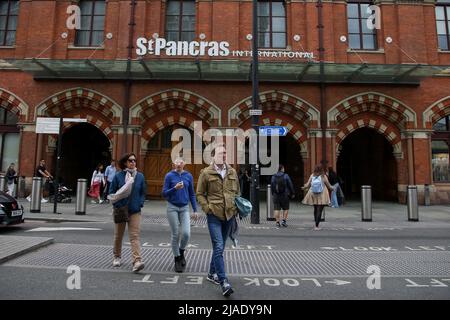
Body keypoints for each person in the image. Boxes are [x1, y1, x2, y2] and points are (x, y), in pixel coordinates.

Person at [196, 144, 240, 297]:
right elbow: (200, 194)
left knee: (219, 247)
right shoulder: (206, 173)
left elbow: (237, 192)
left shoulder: (232, 172)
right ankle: (224, 282)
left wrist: (236, 208)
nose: (224, 155)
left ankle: (210, 273)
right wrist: (207, 208)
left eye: (225, 153)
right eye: (221, 153)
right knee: (219, 245)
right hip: (214, 214)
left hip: (229, 215)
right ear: (213, 156)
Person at [109, 153, 147, 273]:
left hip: (134, 210)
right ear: (125, 162)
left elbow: (143, 192)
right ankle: (117, 256)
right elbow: (111, 193)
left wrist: (140, 203)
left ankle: (136, 261)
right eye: (130, 160)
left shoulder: (140, 176)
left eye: (134, 160)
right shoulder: (118, 176)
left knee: (134, 236)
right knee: (118, 236)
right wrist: (117, 205)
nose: (133, 162)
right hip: (121, 209)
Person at [162, 157, 199, 273]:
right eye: (177, 162)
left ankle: (181, 252)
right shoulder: (169, 176)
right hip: (172, 207)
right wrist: (174, 188)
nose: (179, 164)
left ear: (184, 164)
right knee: (175, 234)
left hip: (184, 208)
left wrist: (195, 209)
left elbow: (192, 194)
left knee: (186, 233)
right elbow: (164, 193)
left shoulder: (188, 176)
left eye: (181, 162)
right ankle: (177, 259)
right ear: (174, 164)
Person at [302, 166, 334, 230]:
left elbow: (308, 185)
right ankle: (316, 226)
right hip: (322, 194)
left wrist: (304, 187)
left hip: (313, 193)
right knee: (319, 210)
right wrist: (333, 188)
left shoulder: (312, 175)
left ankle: (315, 224)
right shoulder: (323, 176)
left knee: (315, 209)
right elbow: (329, 186)